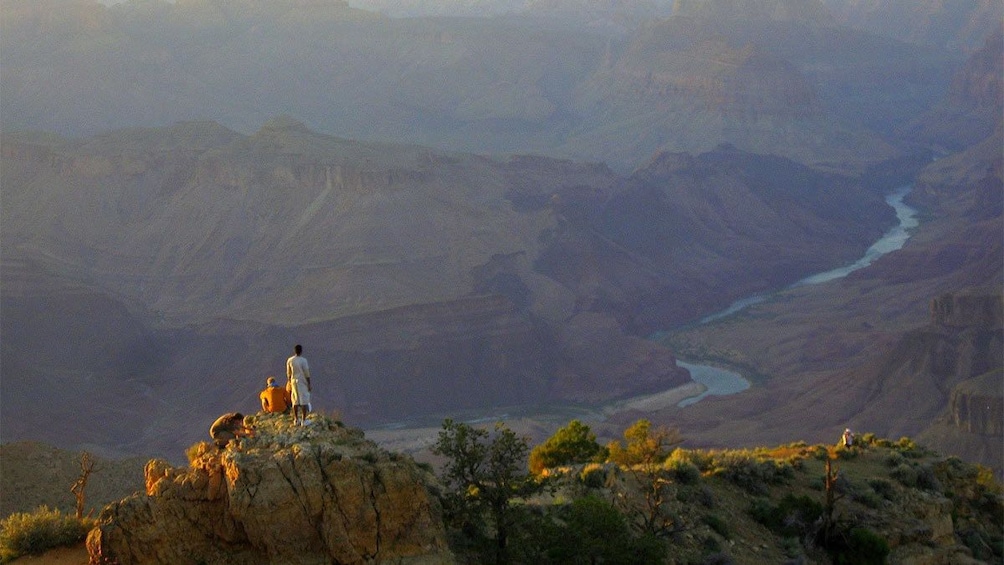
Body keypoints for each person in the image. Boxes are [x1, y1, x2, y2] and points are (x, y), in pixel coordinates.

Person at [286, 344, 312, 426]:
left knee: (295, 400)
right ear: (301, 351)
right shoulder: (303, 360)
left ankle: (296, 419)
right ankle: (304, 420)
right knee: (304, 400)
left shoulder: (290, 360)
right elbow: (306, 373)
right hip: (301, 381)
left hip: (293, 381)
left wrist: (289, 382)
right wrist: (309, 384)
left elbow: (288, 373)